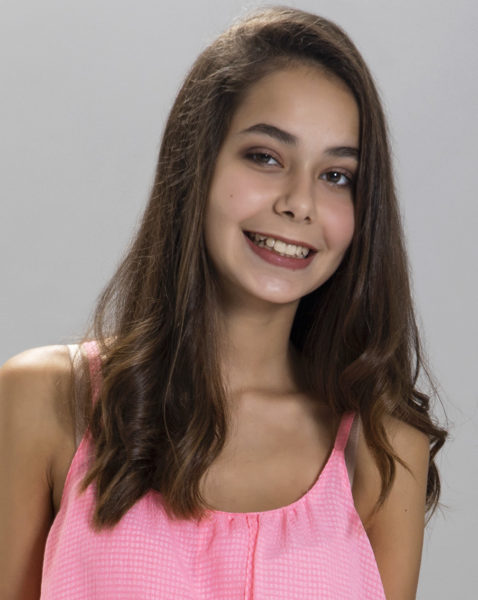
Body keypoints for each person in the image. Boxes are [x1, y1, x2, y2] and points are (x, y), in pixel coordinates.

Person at [0, 6, 447, 599]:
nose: (300, 203)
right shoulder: (46, 402)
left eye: (337, 176)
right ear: (197, 163)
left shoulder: (384, 448)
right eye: (266, 157)